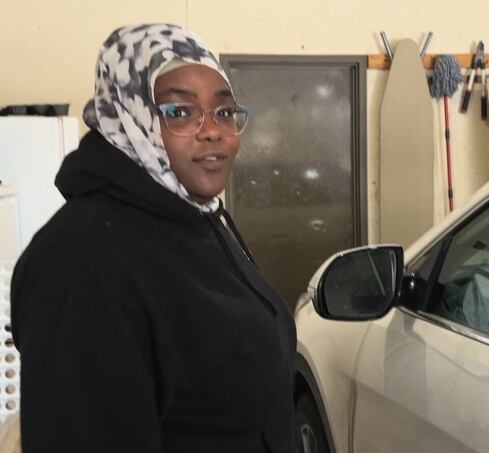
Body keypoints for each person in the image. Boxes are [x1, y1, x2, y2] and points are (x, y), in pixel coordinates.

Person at [10, 24, 295, 453]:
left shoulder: (194, 215)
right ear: (130, 116)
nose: (213, 131)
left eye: (223, 112)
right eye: (178, 112)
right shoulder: (83, 263)